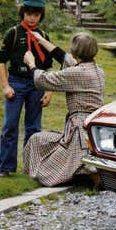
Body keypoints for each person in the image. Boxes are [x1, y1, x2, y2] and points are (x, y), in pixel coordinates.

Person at [22, 32, 105, 186]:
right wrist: (42, 41)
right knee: (44, 140)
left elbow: (43, 80)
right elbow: (65, 58)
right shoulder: (97, 69)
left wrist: (31, 64)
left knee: (36, 140)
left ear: (75, 51)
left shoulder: (77, 73)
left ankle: (86, 173)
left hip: (79, 134)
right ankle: (87, 173)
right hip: (92, 129)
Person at [0, 0, 54, 178]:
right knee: (10, 125)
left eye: (36, 14)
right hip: (16, 83)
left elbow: (49, 67)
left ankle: (31, 166)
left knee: (34, 128)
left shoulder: (44, 36)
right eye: (28, 13)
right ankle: (5, 167)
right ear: (22, 13)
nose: (31, 18)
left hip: (36, 85)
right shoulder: (12, 33)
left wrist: (49, 91)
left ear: (41, 15)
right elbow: (1, 61)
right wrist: (5, 86)